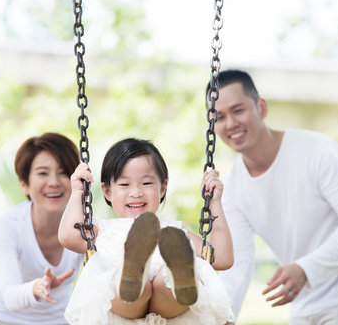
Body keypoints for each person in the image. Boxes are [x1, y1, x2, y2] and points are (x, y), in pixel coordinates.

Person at [210, 69, 338, 324]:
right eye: (219, 117)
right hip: (304, 302)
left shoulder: (317, 151)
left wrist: (305, 269)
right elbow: (238, 263)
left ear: (261, 108)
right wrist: (224, 317)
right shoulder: (232, 189)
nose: (230, 123)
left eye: (238, 110)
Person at [58, 138, 235, 324]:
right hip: (121, 307)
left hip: (170, 308)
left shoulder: (174, 231)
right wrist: (78, 191)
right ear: (107, 191)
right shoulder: (102, 230)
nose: (136, 192)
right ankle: (133, 270)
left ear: (163, 188)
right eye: (124, 185)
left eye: (147, 183)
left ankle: (176, 274)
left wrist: (214, 202)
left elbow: (222, 258)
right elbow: (68, 236)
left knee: (164, 282)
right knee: (122, 287)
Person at [0, 132, 84, 325]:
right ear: (25, 184)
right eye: (43, 173)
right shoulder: (8, 226)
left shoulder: (87, 226)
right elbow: (11, 296)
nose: (54, 182)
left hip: (57, 320)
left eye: (63, 172)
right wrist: (37, 288)